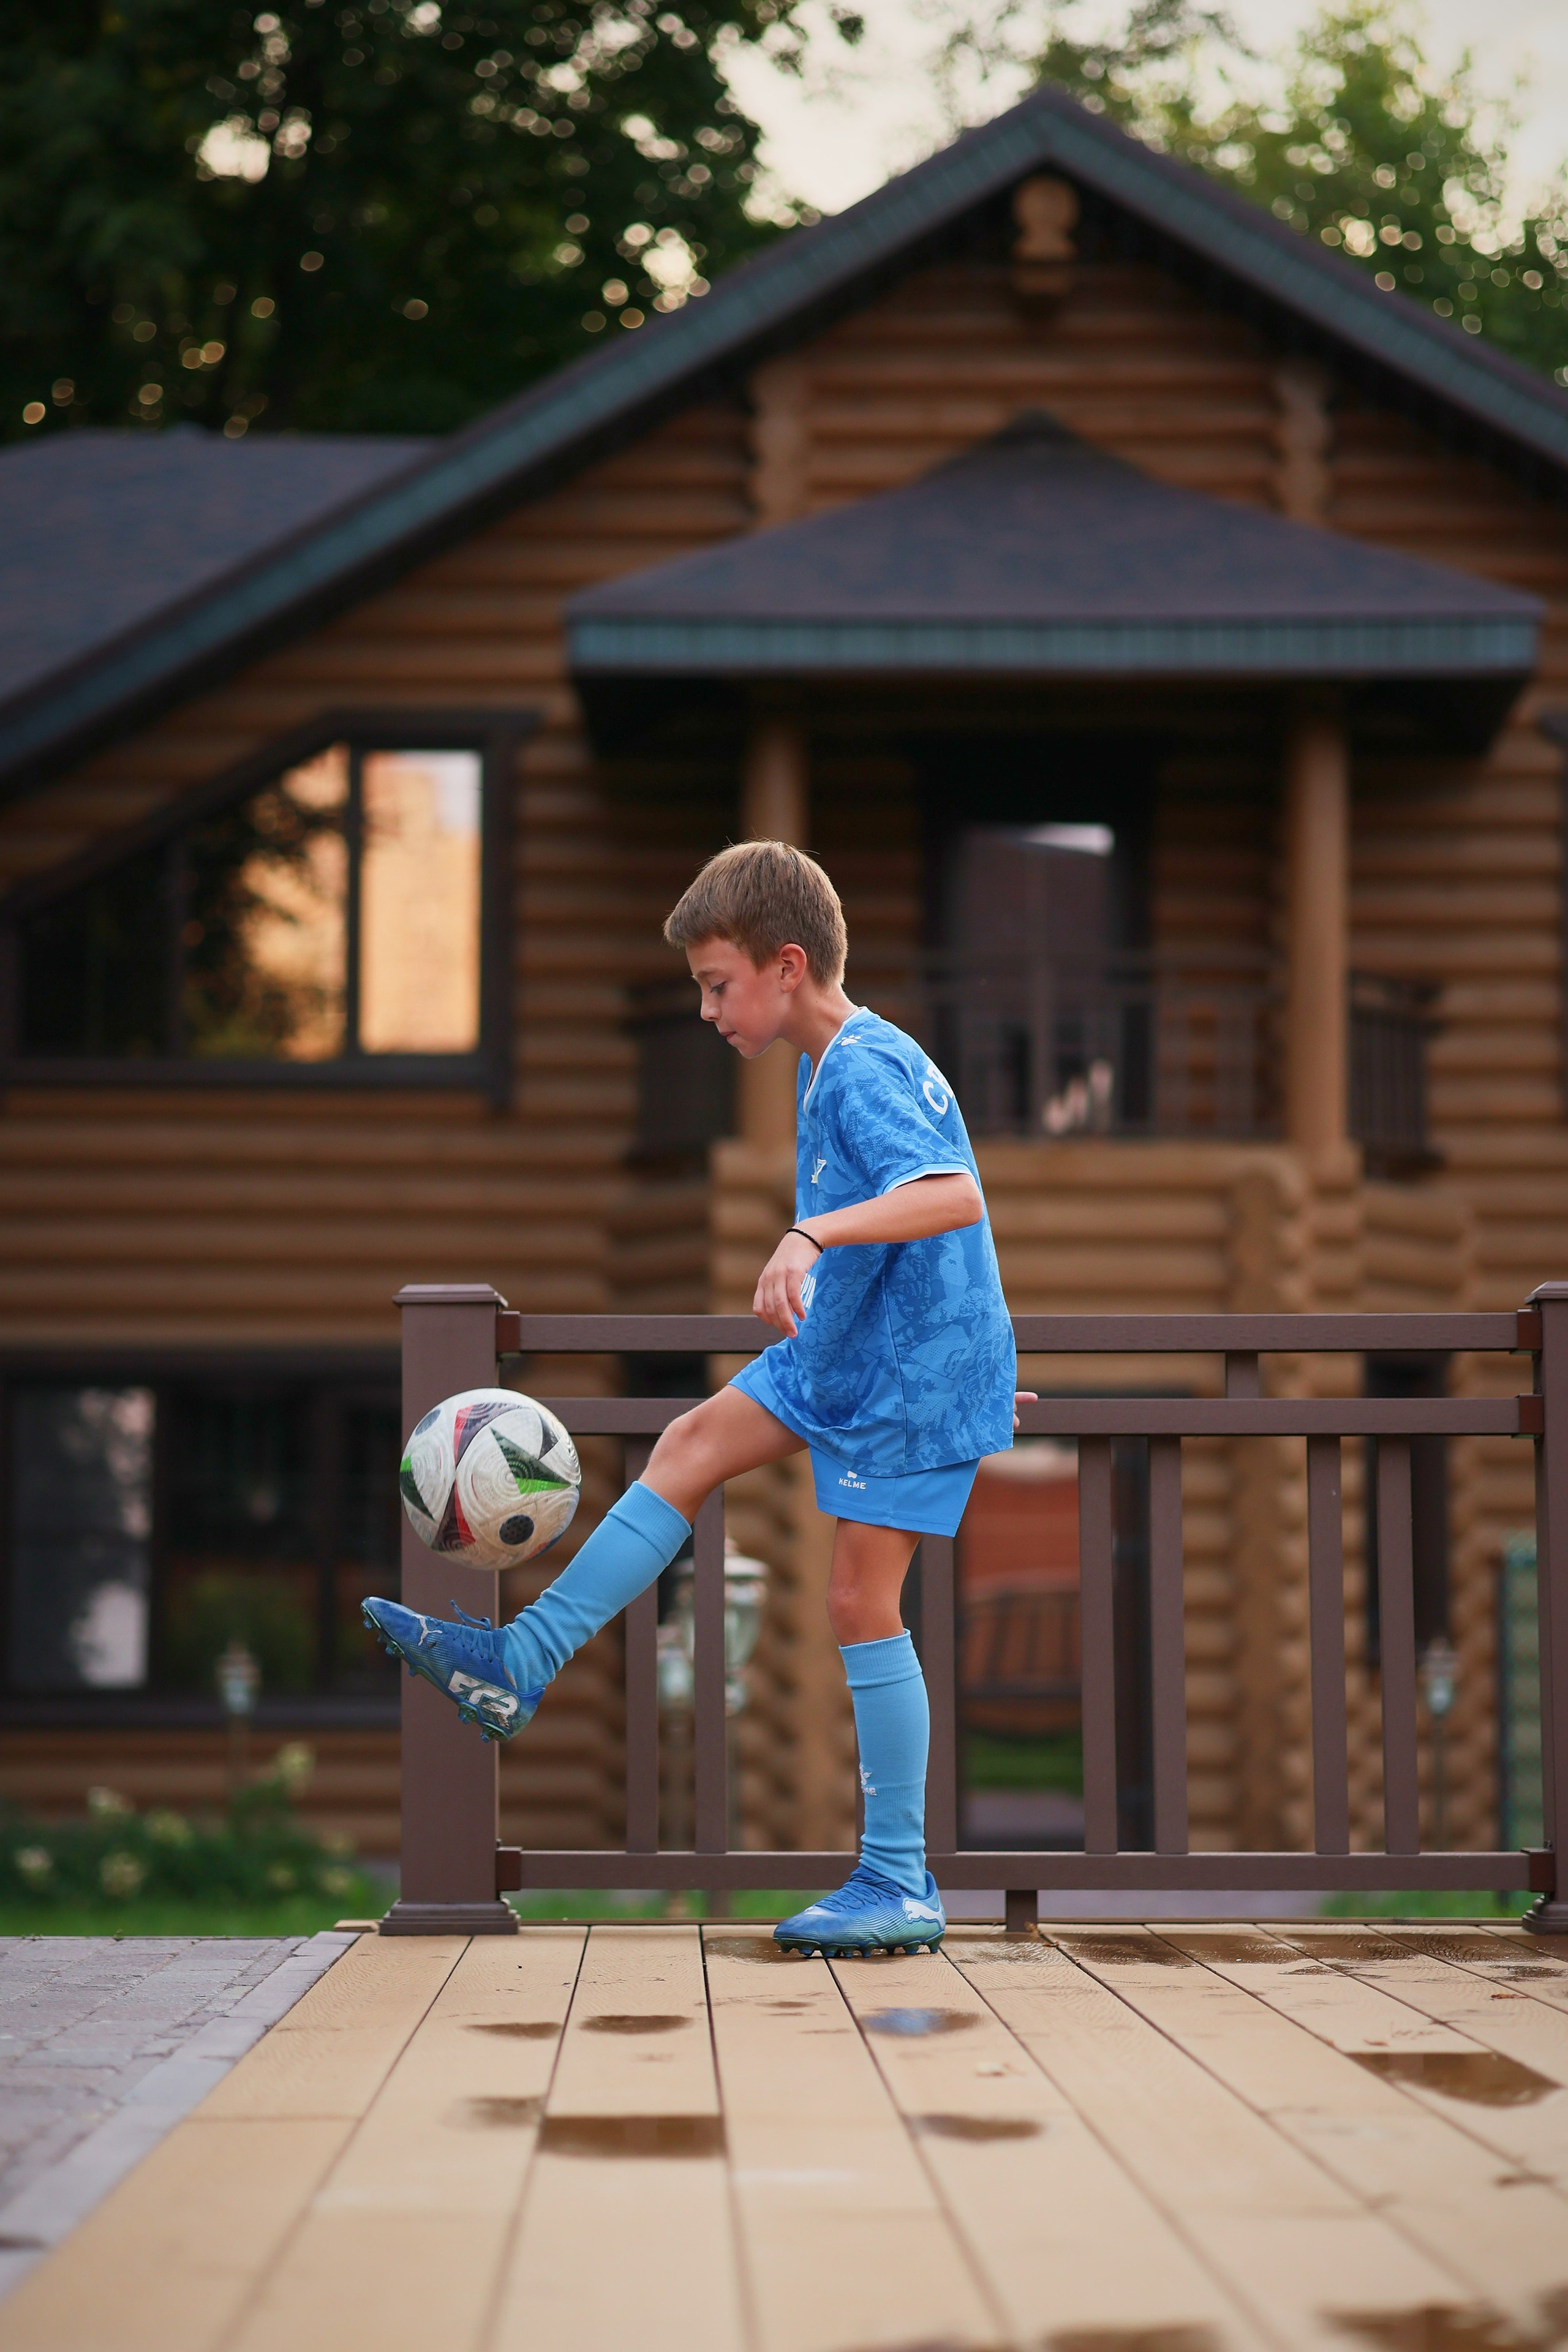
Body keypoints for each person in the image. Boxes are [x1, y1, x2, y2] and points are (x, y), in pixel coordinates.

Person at [364, 840, 1023, 1955]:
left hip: (905, 1375)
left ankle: (901, 1880)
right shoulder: (834, 1062)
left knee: (861, 1605)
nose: (710, 1012)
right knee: (686, 1443)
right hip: (852, 1354)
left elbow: (954, 1195)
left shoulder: (861, 1064)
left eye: (719, 986)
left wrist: (812, 1233)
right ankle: (518, 1666)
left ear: (787, 963)